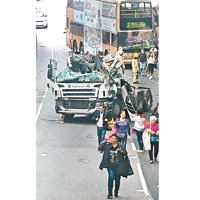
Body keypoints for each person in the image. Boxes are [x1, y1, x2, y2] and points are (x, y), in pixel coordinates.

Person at [98, 134, 133, 199]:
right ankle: (110, 193)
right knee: (111, 177)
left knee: (117, 179)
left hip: (118, 165)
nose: (113, 139)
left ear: (117, 139)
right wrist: (106, 141)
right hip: (110, 165)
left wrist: (121, 151)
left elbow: (125, 153)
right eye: (112, 138)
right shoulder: (108, 145)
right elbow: (100, 147)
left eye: (114, 138)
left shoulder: (120, 146)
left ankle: (116, 192)